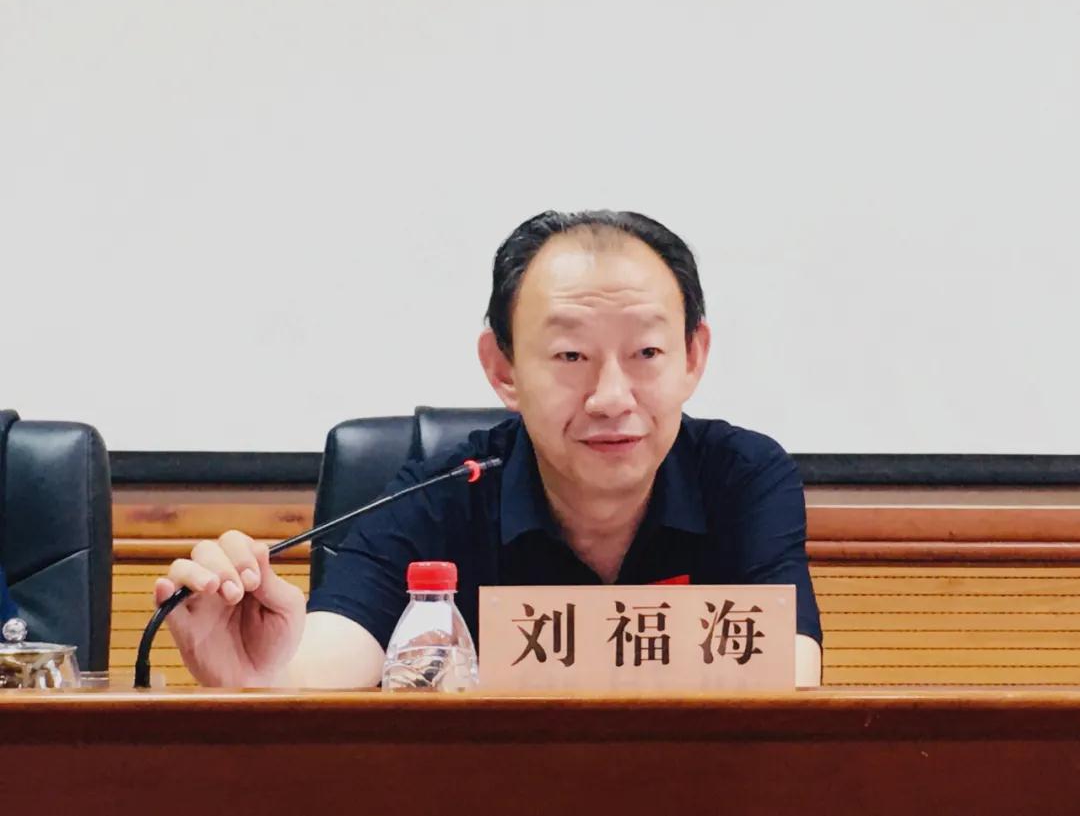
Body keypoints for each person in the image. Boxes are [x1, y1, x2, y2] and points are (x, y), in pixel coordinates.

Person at [156, 210, 823, 688]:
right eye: (570, 355)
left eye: (646, 352)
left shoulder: (742, 477)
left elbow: (790, 665)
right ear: (503, 369)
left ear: (693, 356)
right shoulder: (447, 492)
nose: (611, 396)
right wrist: (264, 673)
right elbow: (342, 645)